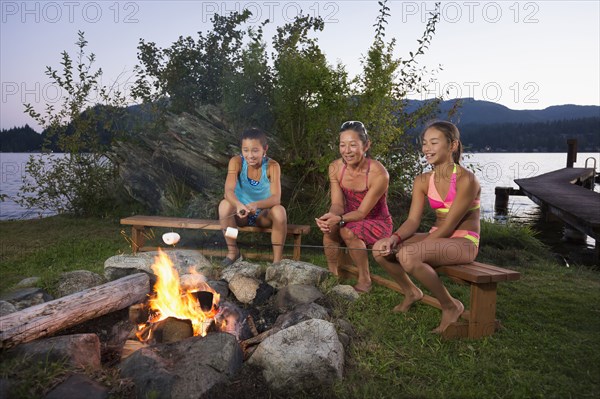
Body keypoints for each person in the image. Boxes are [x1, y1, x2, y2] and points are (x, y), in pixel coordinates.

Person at [373, 120, 481, 333]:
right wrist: (394, 239)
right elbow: (413, 221)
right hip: (437, 238)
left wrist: (410, 249)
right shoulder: (422, 180)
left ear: (452, 145)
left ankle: (450, 306)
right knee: (379, 248)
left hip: (463, 242)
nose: (426, 149)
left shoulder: (466, 180)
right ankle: (411, 291)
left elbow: (449, 226)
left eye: (433, 142)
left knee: (408, 255)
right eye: (424, 143)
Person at [316, 121, 393, 293]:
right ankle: (333, 275)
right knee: (331, 228)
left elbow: (362, 212)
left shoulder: (379, 174)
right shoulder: (335, 167)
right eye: (342, 145)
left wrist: (340, 219)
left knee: (347, 231)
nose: (347, 151)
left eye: (353, 145)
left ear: (366, 145)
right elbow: (337, 204)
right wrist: (330, 217)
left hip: (376, 221)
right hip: (348, 218)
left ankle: (365, 279)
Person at [219, 128, 287, 265]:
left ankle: (277, 262)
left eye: (255, 150)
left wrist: (256, 205)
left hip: (262, 215)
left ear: (265, 149)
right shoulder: (236, 162)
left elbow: (276, 198)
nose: (250, 155)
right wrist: (239, 205)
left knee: (280, 211)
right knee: (224, 205)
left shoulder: (272, 166)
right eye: (246, 150)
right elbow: (228, 191)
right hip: (241, 214)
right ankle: (233, 251)